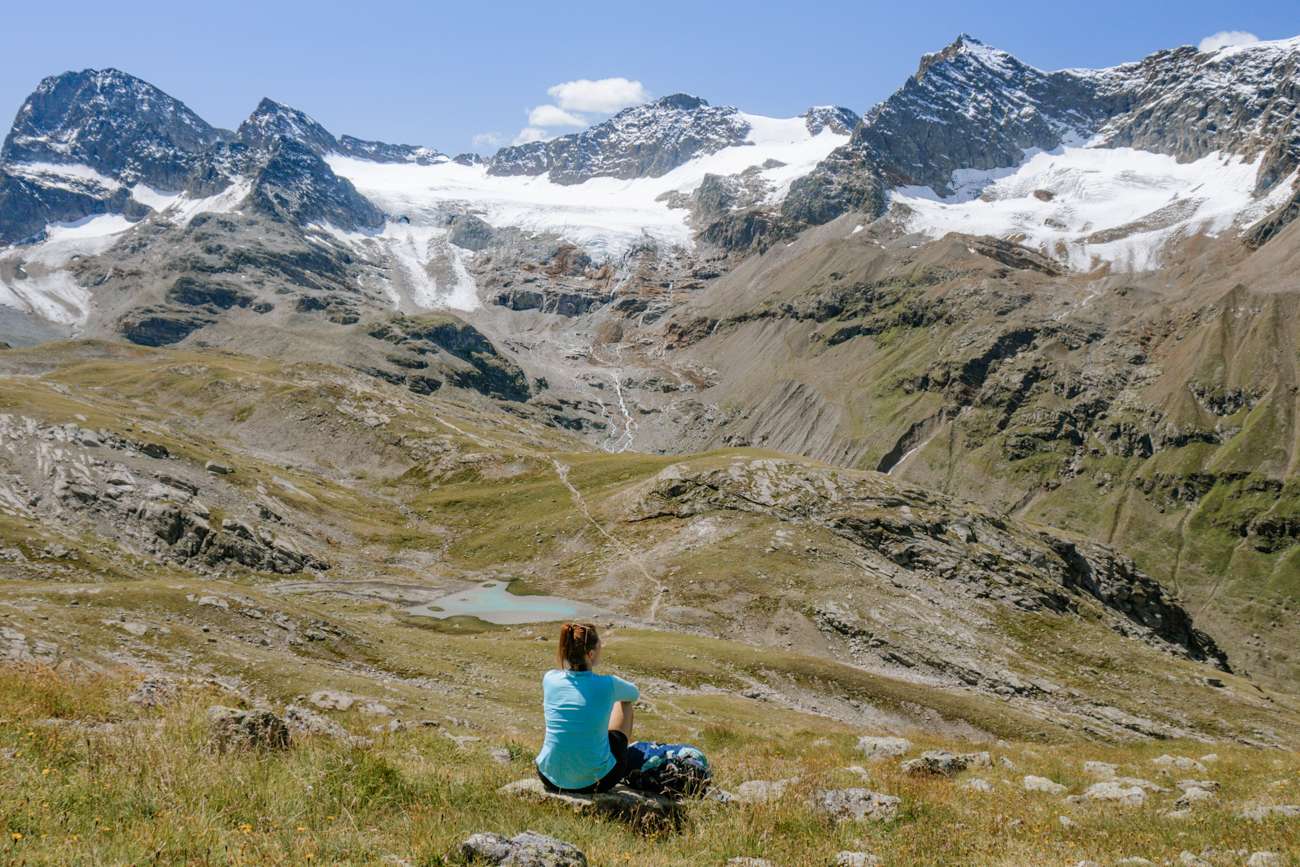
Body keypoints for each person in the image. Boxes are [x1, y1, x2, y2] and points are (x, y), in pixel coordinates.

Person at [535, 622, 642, 793]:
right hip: (595, 781)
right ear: (590, 654)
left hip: (549, 776)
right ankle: (607, 757)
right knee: (623, 702)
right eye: (600, 645)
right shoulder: (608, 684)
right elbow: (634, 694)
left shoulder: (549, 678)